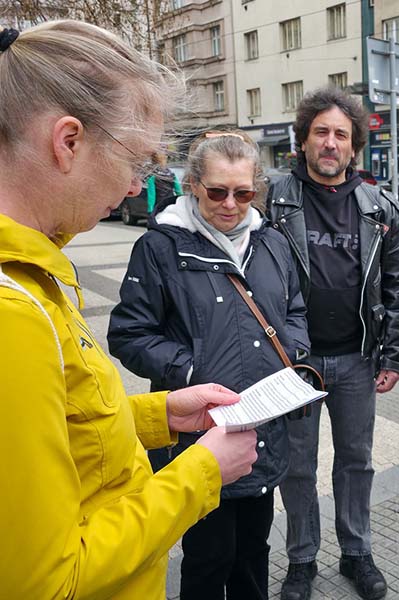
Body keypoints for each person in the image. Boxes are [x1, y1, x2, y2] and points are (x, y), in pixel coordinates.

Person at [0, 22, 258, 599]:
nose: (137, 187)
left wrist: (160, 413)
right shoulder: (12, 312)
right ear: (68, 141)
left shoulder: (30, 271)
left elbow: (64, 429)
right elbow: (48, 582)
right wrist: (203, 471)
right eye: (137, 162)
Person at [107, 129, 310, 600]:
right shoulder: (160, 247)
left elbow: (296, 309)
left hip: (263, 429)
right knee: (207, 558)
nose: (230, 204)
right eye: (217, 191)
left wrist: (294, 354)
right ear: (194, 185)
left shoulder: (272, 242)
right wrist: (191, 370)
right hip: (199, 434)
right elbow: (129, 334)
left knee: (253, 554)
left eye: (243, 193)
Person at [267, 87, 399, 600]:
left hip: (356, 359)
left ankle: (357, 553)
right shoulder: (271, 201)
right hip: (295, 362)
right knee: (297, 467)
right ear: (303, 139)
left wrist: (394, 355)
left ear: (354, 147)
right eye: (321, 132)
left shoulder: (383, 209)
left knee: (356, 461)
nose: (331, 143)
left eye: (341, 135)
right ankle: (301, 559)